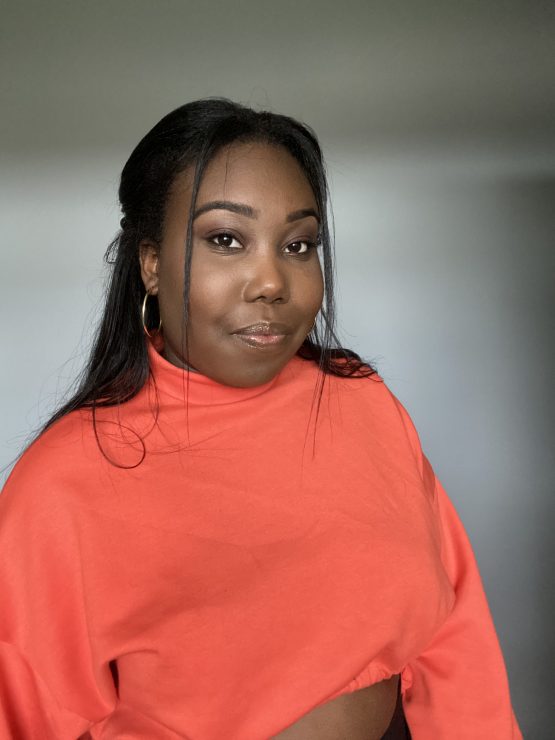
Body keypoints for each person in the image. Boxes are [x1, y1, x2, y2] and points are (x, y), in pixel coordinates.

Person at [0, 99, 521, 739]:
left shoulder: (360, 402)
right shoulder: (64, 482)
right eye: (226, 240)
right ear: (151, 263)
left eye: (298, 244)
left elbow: (451, 628)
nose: (271, 280)